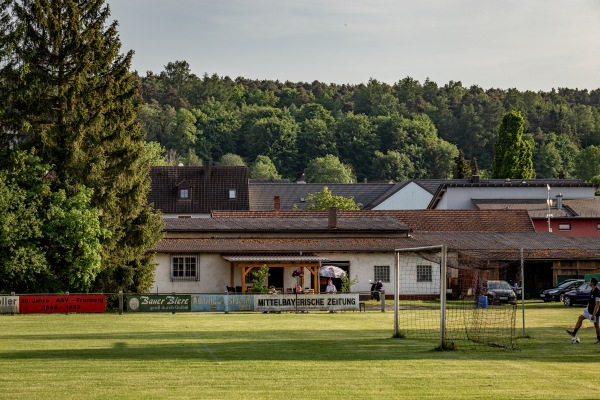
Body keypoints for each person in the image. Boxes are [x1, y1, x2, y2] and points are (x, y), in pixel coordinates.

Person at [566, 277, 600, 344]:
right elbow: (591, 301)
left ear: (592, 283)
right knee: (580, 318)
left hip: (595, 311)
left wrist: (594, 314)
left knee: (596, 325)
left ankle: (599, 339)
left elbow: (597, 304)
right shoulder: (592, 290)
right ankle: (574, 332)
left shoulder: (597, 292)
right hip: (589, 309)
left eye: (590, 281)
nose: (589, 282)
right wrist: (588, 306)